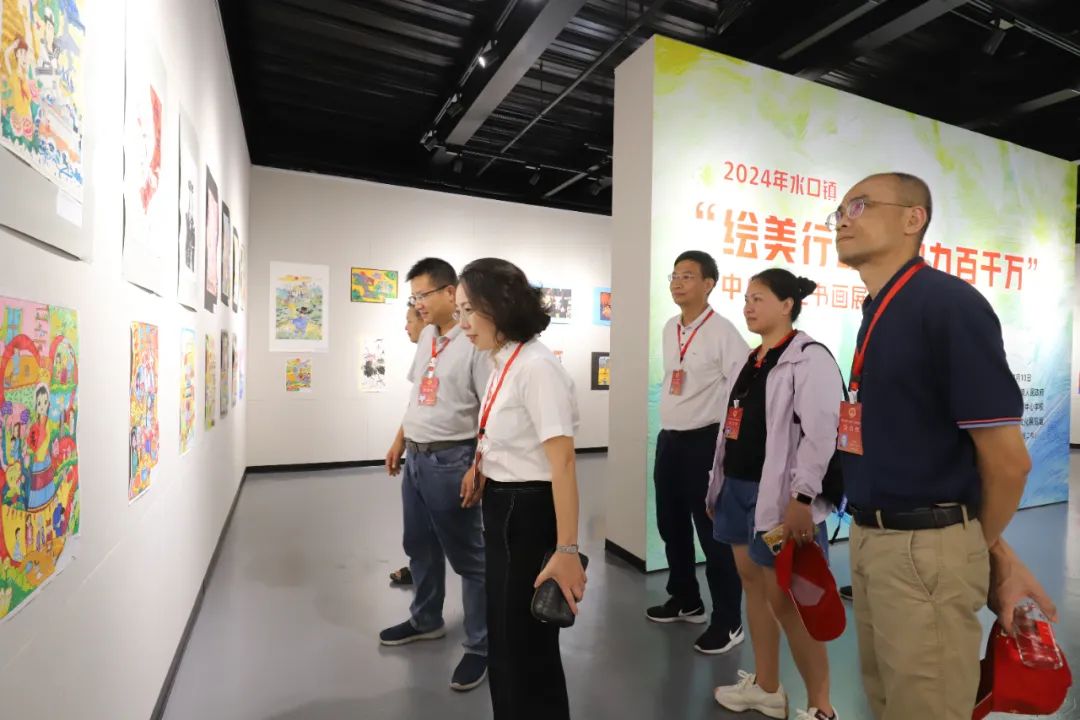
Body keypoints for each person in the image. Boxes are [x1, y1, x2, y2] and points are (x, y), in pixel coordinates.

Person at [829, 172, 1058, 719]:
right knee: (888, 700)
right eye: (838, 211)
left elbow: (1008, 462)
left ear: (914, 219)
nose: (842, 220)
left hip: (920, 552)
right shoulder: (879, 311)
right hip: (870, 539)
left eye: (859, 205)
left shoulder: (947, 304)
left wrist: (972, 548)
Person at [706, 269, 841, 720]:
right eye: (746, 298)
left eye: (758, 298)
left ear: (787, 305)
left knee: (789, 600)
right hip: (738, 490)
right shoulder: (751, 360)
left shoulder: (809, 358)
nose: (748, 306)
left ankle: (821, 707)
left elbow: (821, 434)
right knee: (753, 585)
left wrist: (802, 498)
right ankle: (767, 687)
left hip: (781, 500)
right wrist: (719, 487)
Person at [456, 258, 586, 720]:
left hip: (527, 512)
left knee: (524, 646)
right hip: (503, 503)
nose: (463, 323)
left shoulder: (536, 367)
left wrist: (567, 550)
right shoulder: (502, 360)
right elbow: (507, 433)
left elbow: (562, 462)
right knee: (506, 638)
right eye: (459, 311)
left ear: (499, 305)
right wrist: (482, 467)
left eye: (469, 310)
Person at [380, 258, 491, 693]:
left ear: (449, 292)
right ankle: (426, 619)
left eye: (422, 295)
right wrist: (399, 440)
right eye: (413, 297)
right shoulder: (428, 335)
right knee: (419, 546)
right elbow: (417, 397)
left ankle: (480, 645)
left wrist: (478, 466)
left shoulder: (474, 340)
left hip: (453, 460)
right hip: (417, 459)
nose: (417, 305)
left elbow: (489, 412)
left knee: (470, 558)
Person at [646, 250, 748, 655]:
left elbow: (742, 389)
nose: (677, 282)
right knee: (670, 525)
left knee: (713, 535)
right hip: (670, 440)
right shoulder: (670, 327)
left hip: (706, 444)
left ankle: (729, 620)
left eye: (687, 276)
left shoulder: (723, 332)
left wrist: (730, 446)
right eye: (674, 275)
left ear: (708, 284)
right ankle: (686, 598)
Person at [390, 304, 429, 587]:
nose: (406, 327)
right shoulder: (426, 351)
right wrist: (399, 442)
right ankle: (419, 570)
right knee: (417, 529)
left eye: (409, 321)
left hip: (444, 457)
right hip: (417, 455)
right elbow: (416, 403)